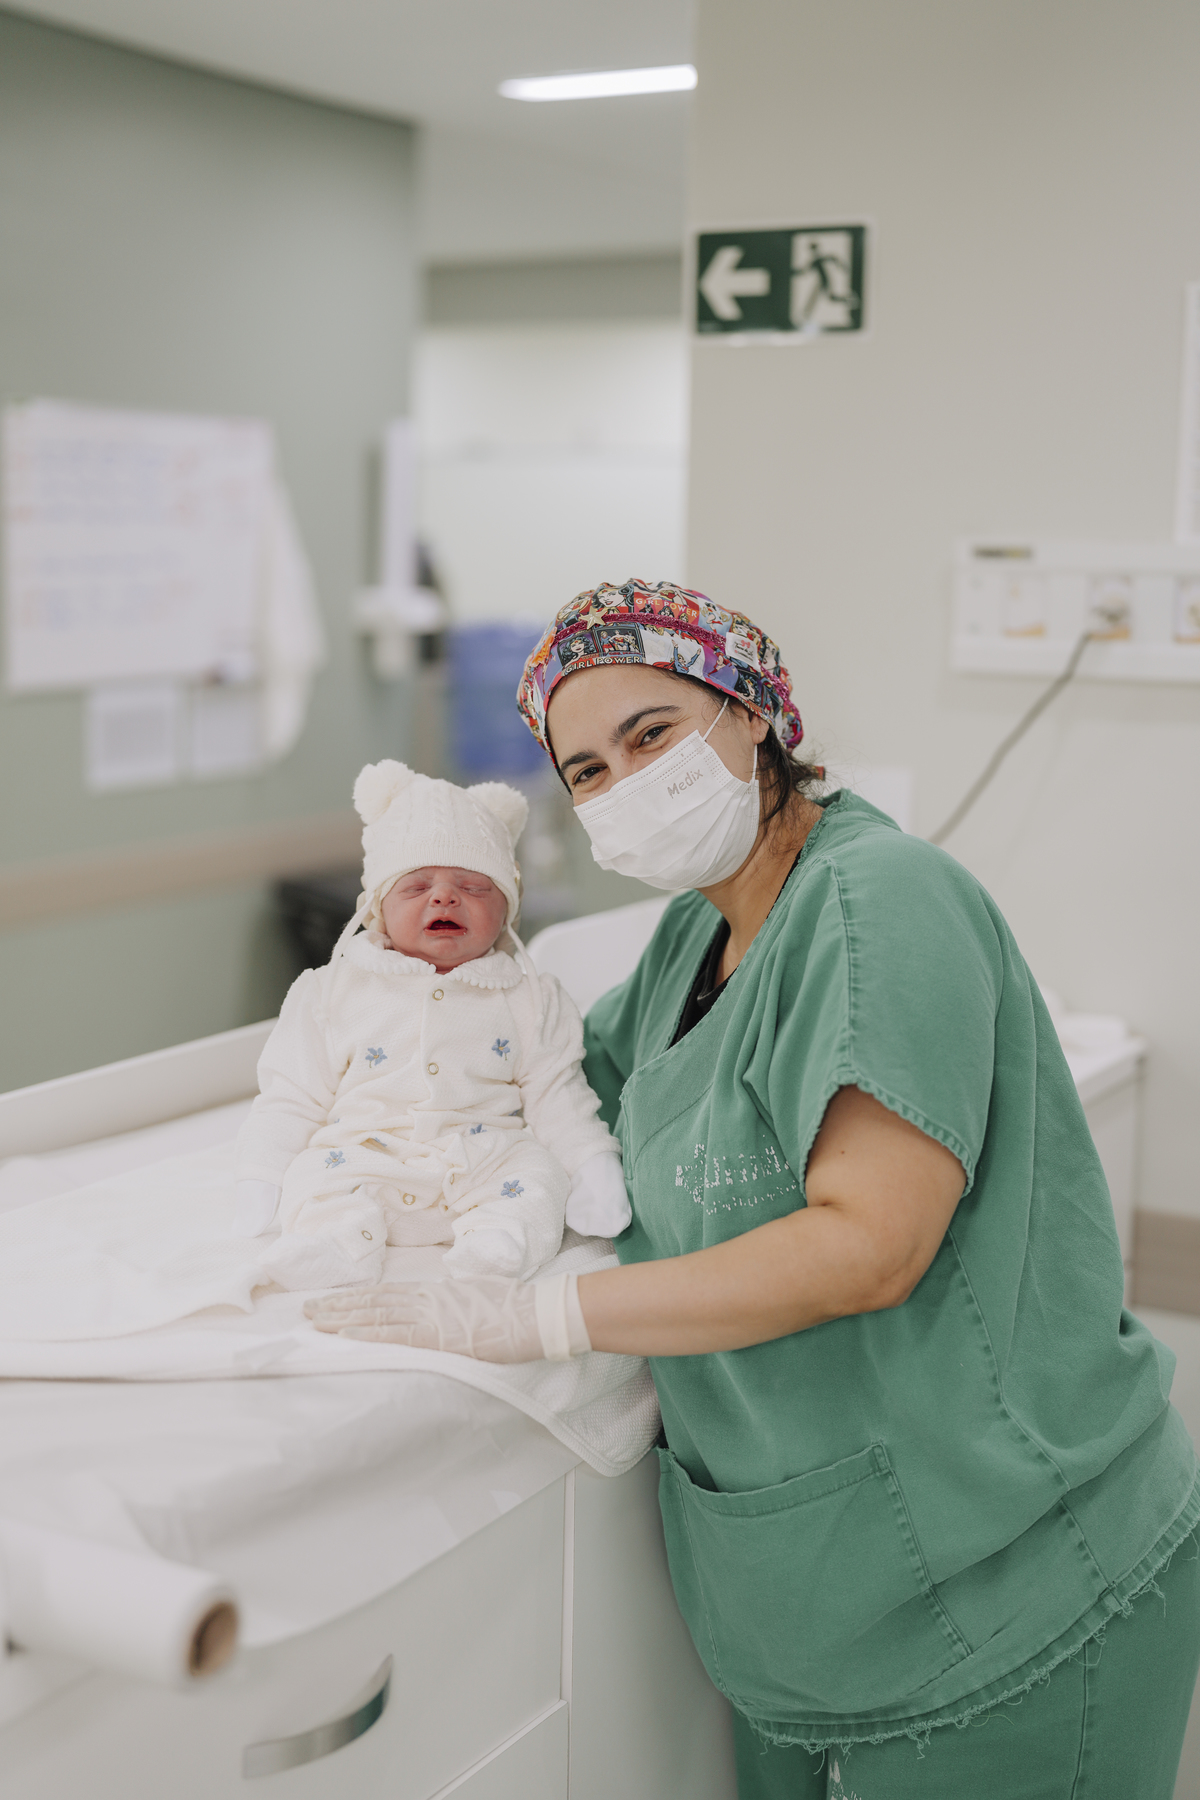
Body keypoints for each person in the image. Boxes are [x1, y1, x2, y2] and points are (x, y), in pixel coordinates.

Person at [310, 580, 1200, 1798]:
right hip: (819, 1608)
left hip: (1014, 1584)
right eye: (586, 770)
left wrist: (539, 1317)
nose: (624, 785)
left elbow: (868, 1245)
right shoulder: (697, 935)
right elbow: (568, 1098)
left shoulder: (880, 902)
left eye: (652, 734)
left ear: (753, 712)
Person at [235, 759, 630, 1292]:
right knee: (316, 1175)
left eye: (474, 886)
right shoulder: (333, 991)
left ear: (508, 910)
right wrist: (261, 1171)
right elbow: (291, 1096)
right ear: (378, 907)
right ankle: (336, 1243)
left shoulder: (529, 998)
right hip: (366, 1155)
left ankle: (497, 1244)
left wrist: (591, 1163)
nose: (444, 897)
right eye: (417, 885)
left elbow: (559, 1097)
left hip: (483, 1157)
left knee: (537, 1177)